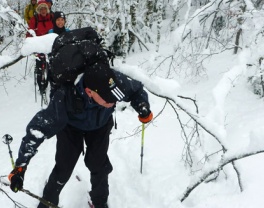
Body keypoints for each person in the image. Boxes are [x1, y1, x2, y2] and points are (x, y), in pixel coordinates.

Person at [8, 66, 154, 208]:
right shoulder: (64, 97)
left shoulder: (112, 80)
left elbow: (136, 90)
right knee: (63, 168)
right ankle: (48, 203)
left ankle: (100, 203)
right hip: (71, 128)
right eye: (107, 99)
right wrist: (21, 167)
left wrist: (142, 105)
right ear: (89, 92)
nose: (112, 102)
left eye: (114, 98)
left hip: (100, 126)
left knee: (98, 164)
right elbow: (37, 130)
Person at [27, 0, 54, 102]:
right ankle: (41, 86)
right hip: (39, 47)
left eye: (45, 8)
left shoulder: (51, 17)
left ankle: (50, 83)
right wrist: (29, 43)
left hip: (50, 47)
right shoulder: (35, 19)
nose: (43, 10)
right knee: (40, 68)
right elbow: (30, 31)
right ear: (38, 10)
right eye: (41, 9)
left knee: (51, 67)